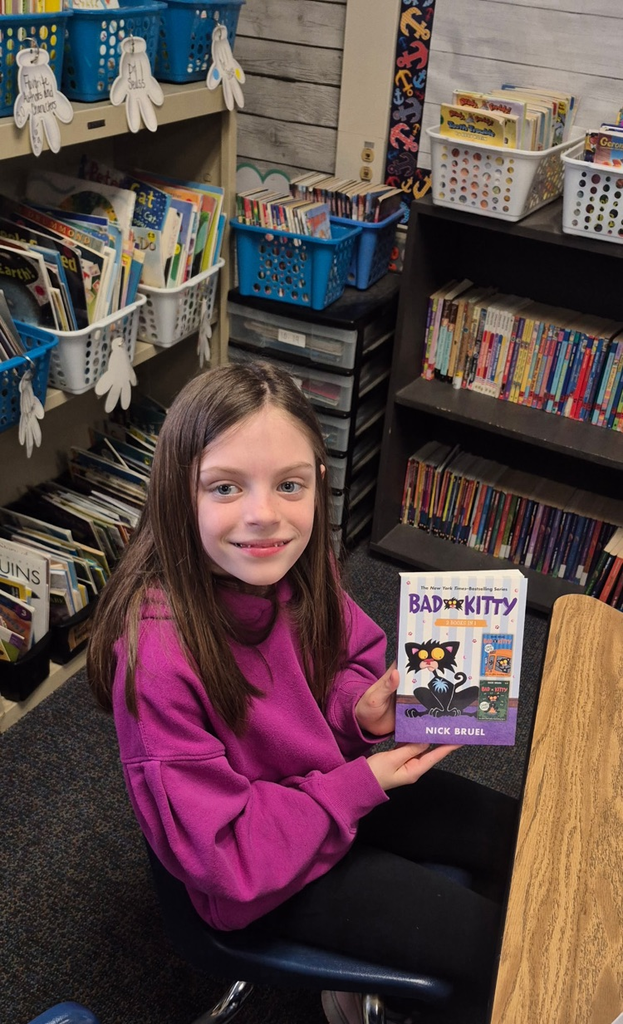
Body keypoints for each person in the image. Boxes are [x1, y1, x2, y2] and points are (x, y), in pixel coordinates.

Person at [88, 360, 518, 1024]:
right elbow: (224, 855)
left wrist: (357, 710)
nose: (264, 517)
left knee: (520, 839)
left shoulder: (296, 559)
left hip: (327, 787)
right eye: (225, 488)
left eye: (288, 485)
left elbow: (344, 660)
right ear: (178, 493)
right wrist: (359, 782)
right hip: (256, 869)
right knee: (501, 955)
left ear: (317, 485)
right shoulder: (157, 659)